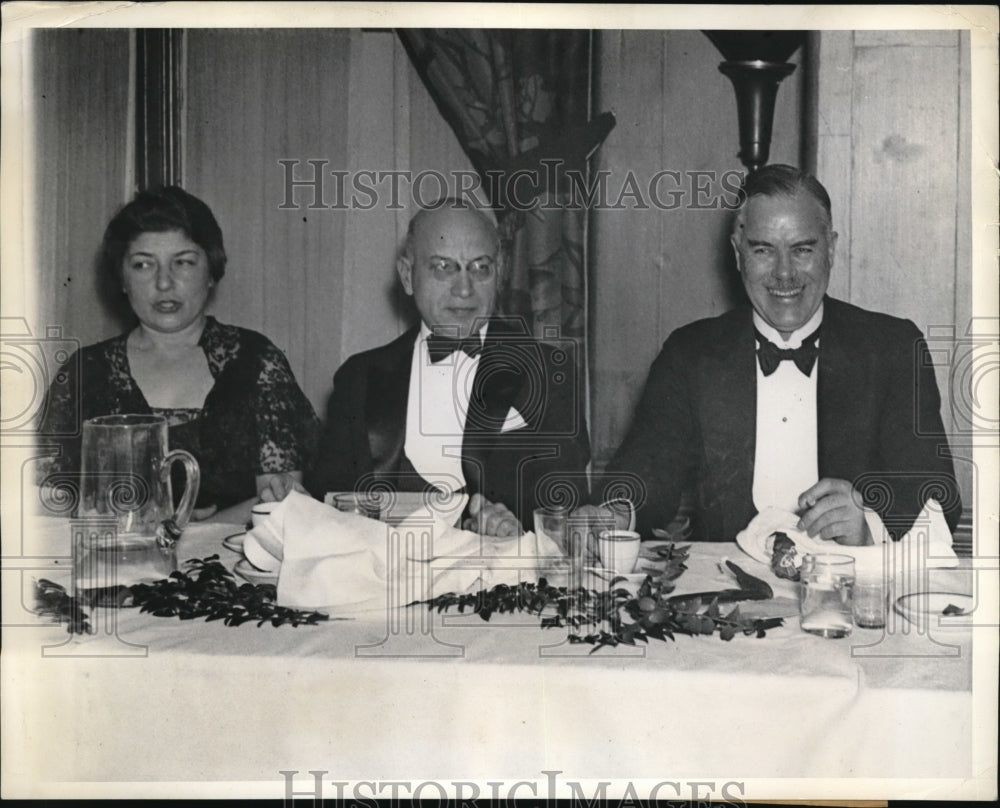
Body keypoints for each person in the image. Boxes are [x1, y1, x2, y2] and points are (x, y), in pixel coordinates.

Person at [579, 164, 960, 548]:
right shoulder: (691, 354)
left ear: (831, 249)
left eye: (802, 250)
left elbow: (937, 495)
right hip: (724, 591)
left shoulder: (891, 349)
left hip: (847, 590)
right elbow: (646, 469)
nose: (784, 273)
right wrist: (615, 512)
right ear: (738, 253)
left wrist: (871, 525)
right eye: (763, 250)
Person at [307, 200, 590, 535]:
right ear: (408, 276)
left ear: (499, 274)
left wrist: (513, 532)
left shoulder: (548, 371)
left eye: (480, 268)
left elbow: (565, 510)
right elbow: (329, 505)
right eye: (444, 267)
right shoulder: (359, 377)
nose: (465, 289)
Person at [37, 186, 320, 518]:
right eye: (143, 265)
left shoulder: (257, 361)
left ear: (211, 271)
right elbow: (45, 502)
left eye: (183, 262)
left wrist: (185, 536)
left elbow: (282, 502)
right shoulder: (83, 372)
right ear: (122, 278)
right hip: (117, 564)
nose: (164, 283)